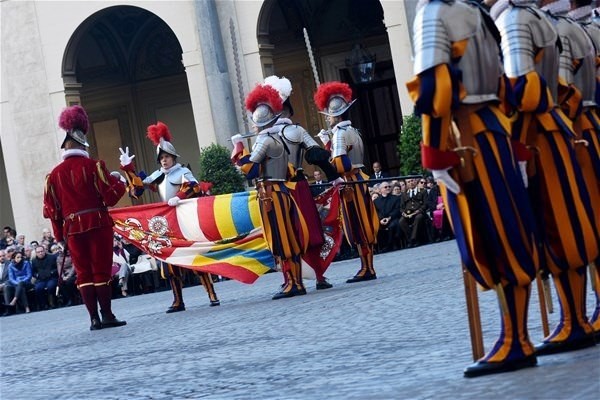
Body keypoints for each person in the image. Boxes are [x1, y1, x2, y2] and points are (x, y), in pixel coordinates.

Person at [407, 0, 542, 377]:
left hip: (465, 139)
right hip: (496, 131)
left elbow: (435, 90)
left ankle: (515, 340)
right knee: (510, 233)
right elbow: (504, 86)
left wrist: (434, 153)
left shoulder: (435, 13)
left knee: (490, 238)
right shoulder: (478, 11)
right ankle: (517, 336)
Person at [491, 0, 598, 355]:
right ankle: (576, 318)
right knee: (574, 222)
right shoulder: (543, 18)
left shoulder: (515, 20)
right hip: (566, 125)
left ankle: (573, 321)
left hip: (538, 134)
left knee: (559, 227)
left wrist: (514, 139)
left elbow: (525, 89)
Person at [119, 122, 219, 312]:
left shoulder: (183, 172)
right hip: (167, 222)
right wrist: (128, 168)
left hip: (185, 218)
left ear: (173, 157)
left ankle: (212, 294)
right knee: (169, 261)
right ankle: (177, 300)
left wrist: (179, 197)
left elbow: (193, 187)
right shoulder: (158, 175)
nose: (164, 160)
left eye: (167, 157)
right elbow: (137, 191)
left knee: (196, 258)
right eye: (162, 158)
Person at [43, 105, 127, 330]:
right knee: (100, 269)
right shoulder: (94, 166)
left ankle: (93, 318)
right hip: (97, 224)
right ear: (82, 145)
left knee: (84, 273)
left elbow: (52, 211)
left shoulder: (53, 176)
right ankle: (107, 315)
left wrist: (59, 236)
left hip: (71, 229)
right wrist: (120, 181)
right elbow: (110, 197)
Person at [231, 83, 309, 299]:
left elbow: (249, 170)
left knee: (281, 238)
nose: (254, 128)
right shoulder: (278, 138)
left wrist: (238, 149)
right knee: (288, 238)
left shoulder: (264, 140)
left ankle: (293, 283)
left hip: (271, 195)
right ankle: (296, 281)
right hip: (281, 191)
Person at [263, 75, 337, 290]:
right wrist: (334, 176)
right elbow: (317, 156)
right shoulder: (296, 131)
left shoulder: (268, 136)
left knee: (290, 233)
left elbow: (316, 156)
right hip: (297, 186)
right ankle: (310, 278)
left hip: (282, 188)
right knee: (300, 232)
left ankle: (296, 279)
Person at [313, 81, 380, 283]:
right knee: (361, 223)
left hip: (350, 182)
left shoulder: (340, 134)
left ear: (336, 115)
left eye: (329, 117)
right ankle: (367, 265)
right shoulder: (353, 131)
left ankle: (367, 267)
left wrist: (328, 150)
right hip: (358, 179)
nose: (328, 120)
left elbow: (341, 163)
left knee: (357, 225)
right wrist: (327, 143)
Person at [373, 181, 402, 252]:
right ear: (380, 190)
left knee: (392, 225)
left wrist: (389, 218)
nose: (388, 188)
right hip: (381, 220)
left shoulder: (396, 198)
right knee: (376, 227)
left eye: (389, 186)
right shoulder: (376, 201)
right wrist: (380, 219)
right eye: (385, 187)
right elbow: (376, 212)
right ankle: (382, 246)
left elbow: (397, 210)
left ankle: (391, 245)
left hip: (393, 218)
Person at [31, 245, 59, 309]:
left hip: (52, 277)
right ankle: (44, 304)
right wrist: (37, 275)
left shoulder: (52, 257)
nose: (40, 253)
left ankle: (52, 303)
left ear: (44, 251)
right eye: (38, 252)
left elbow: (57, 268)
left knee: (50, 286)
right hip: (41, 279)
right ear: (36, 253)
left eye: (41, 251)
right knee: (38, 288)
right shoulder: (34, 261)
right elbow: (33, 272)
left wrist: (51, 272)